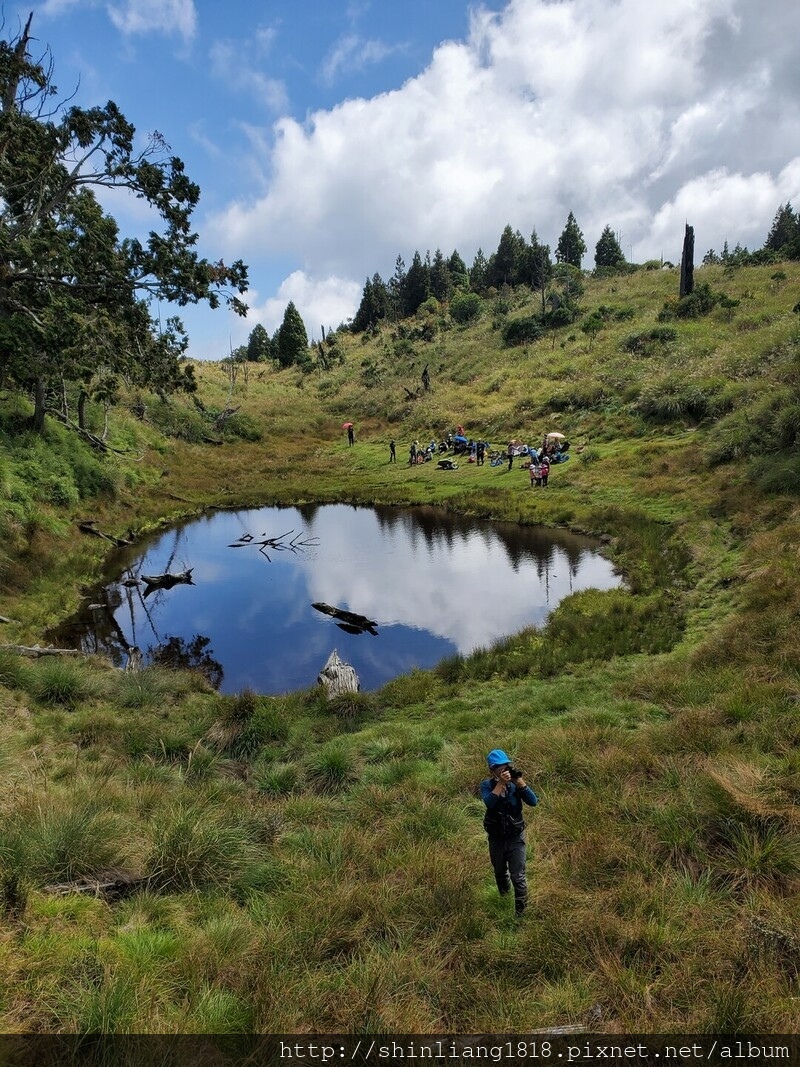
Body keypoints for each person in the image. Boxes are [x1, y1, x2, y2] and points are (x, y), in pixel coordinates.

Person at [481, 750, 538, 917]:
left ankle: (521, 914)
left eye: (506, 767)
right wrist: (500, 784)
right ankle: (504, 898)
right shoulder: (487, 785)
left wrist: (520, 783)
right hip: (497, 838)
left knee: (518, 876)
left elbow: (533, 802)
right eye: (500, 768)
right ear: (493, 771)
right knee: (499, 871)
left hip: (515, 837)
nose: (504, 770)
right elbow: (489, 803)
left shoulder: (515, 785)